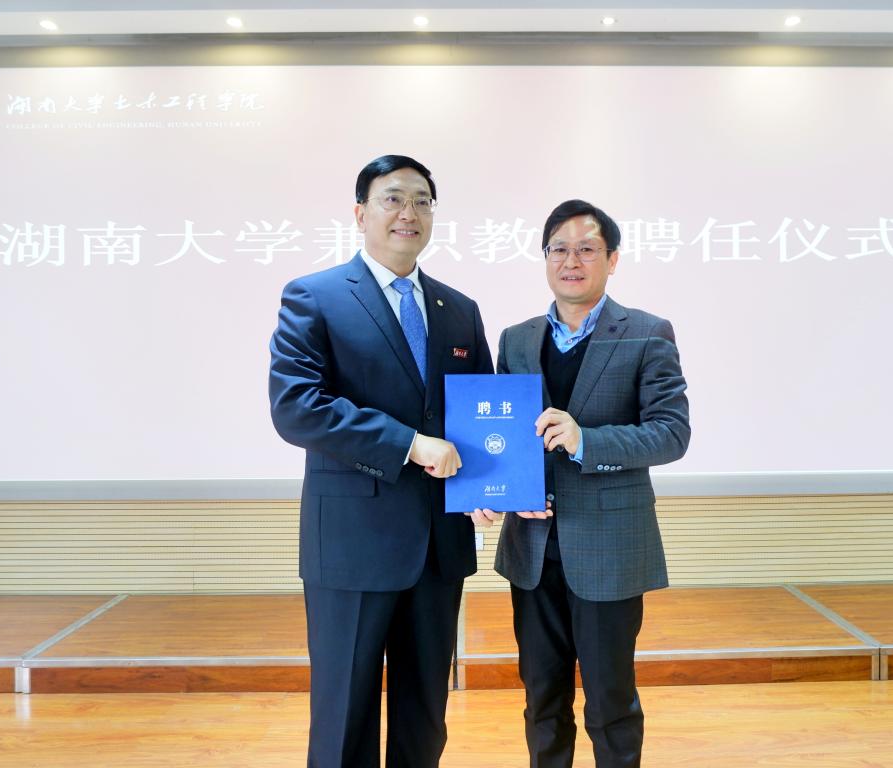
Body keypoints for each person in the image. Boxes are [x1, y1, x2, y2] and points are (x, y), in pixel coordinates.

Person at [270, 154, 494, 768]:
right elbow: (297, 408)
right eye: (393, 198)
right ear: (360, 212)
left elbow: (480, 414)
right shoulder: (315, 297)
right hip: (352, 544)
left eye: (422, 201)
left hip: (438, 547)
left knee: (425, 718)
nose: (408, 213)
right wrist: (410, 444)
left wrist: (491, 485)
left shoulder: (458, 309)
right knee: (344, 717)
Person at [469, 199, 691, 768]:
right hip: (532, 547)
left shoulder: (646, 333)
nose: (572, 260)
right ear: (545, 258)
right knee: (542, 699)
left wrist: (585, 439)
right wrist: (491, 492)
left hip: (609, 548)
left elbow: (671, 433)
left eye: (587, 249)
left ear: (612, 260)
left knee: (610, 703)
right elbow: (501, 433)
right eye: (559, 249)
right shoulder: (517, 339)